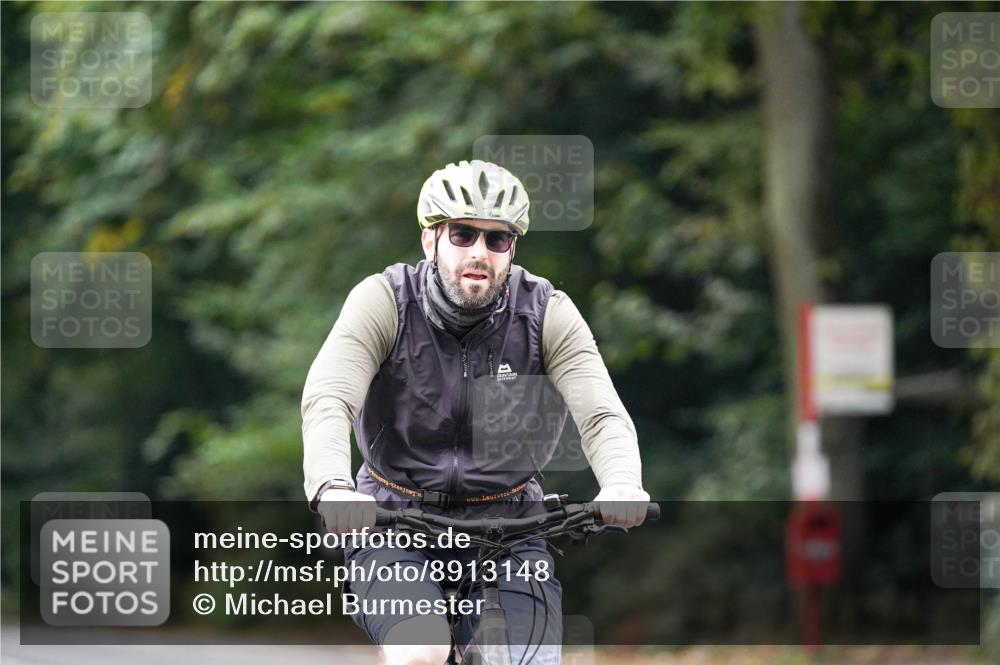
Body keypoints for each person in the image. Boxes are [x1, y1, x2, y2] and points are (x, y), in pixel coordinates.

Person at [302, 159, 648, 665]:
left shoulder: (546, 312)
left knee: (529, 659)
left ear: (513, 248)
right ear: (431, 240)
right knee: (420, 652)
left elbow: (601, 416)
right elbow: (329, 398)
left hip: (509, 524)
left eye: (497, 240)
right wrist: (332, 485)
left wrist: (622, 482)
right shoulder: (384, 301)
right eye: (463, 235)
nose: (479, 253)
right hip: (395, 520)